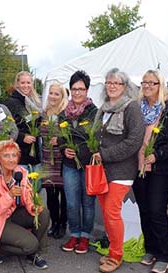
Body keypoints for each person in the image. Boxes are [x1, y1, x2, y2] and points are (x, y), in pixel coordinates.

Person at [92, 68, 145, 273]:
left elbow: (134, 141)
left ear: (125, 86)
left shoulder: (131, 108)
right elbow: (97, 135)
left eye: (117, 83)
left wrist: (105, 155)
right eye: (109, 82)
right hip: (102, 170)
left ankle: (116, 255)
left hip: (121, 170)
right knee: (106, 212)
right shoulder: (103, 108)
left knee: (112, 212)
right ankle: (113, 249)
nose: (112, 86)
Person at [132, 69, 168, 273]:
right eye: (144, 82)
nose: (147, 86)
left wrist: (157, 155)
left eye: (152, 83)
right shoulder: (137, 108)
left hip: (161, 167)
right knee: (144, 209)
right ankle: (151, 249)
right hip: (139, 166)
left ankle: (163, 255)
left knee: (156, 210)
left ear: (160, 86)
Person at [0, 140, 50, 269]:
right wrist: (9, 196)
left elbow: (28, 194)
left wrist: (33, 206)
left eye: (14, 155)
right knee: (30, 244)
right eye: (6, 156)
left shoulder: (21, 172)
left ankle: (34, 254)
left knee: (42, 213)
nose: (11, 159)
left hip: (13, 213)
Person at [59, 70, 98, 254]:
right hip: (69, 166)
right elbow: (59, 138)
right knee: (72, 203)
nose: (77, 93)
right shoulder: (63, 114)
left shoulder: (94, 112)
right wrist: (62, 149)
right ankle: (74, 233)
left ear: (87, 90)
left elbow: (95, 137)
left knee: (88, 203)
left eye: (81, 89)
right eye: (74, 89)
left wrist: (76, 142)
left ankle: (85, 236)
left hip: (88, 165)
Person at [41, 83, 68, 239]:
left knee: (64, 195)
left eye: (57, 94)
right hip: (47, 159)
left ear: (62, 96)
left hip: (62, 160)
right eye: (51, 93)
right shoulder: (43, 114)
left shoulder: (65, 114)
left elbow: (70, 135)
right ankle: (55, 223)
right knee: (51, 195)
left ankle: (63, 224)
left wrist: (59, 140)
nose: (53, 96)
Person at [4, 71, 42, 170]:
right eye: (23, 83)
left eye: (28, 83)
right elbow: (7, 127)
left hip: (35, 154)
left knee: (36, 184)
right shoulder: (12, 102)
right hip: (20, 154)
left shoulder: (35, 102)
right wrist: (22, 137)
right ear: (17, 84)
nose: (26, 86)